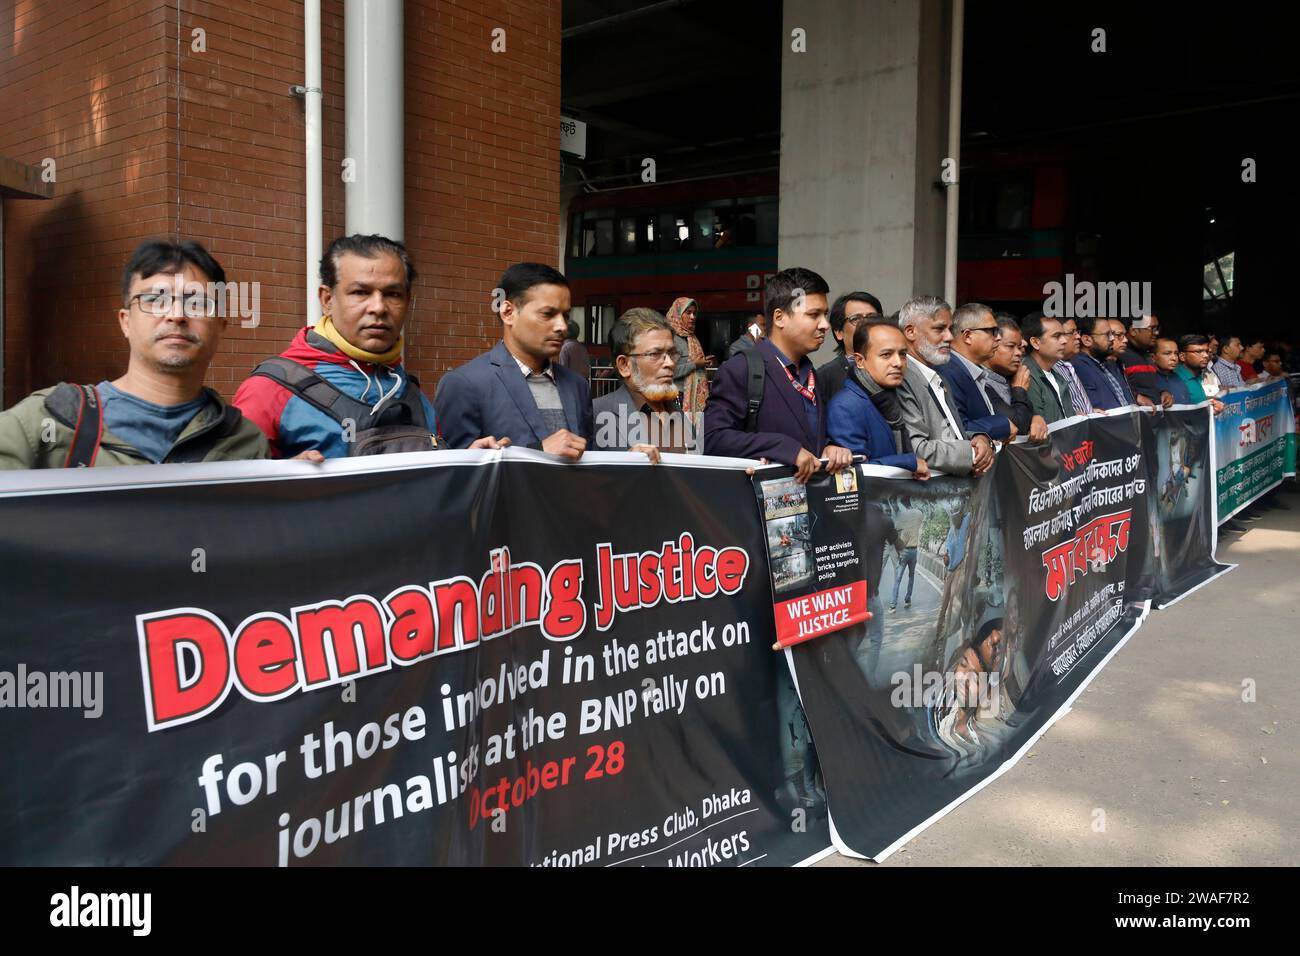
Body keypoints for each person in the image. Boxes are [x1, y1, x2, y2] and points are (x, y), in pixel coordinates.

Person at [0, 239, 273, 469]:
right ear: (125, 321)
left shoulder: (245, 443)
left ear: (220, 326)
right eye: (155, 300)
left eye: (197, 303)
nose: (176, 315)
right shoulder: (43, 423)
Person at [235, 235, 501, 458]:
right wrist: (283, 480)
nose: (378, 307)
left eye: (392, 294)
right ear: (327, 299)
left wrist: (464, 461)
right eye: (360, 292)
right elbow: (236, 501)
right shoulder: (269, 390)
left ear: (408, 301)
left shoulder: (411, 393)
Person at [703, 267, 853, 482]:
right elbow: (713, 439)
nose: (825, 325)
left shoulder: (810, 374)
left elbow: (805, 431)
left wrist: (829, 447)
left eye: (825, 315)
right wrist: (786, 449)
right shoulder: (741, 369)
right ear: (780, 318)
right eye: (813, 315)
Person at [435, 262, 593, 458]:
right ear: (508, 313)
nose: (562, 326)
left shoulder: (577, 386)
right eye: (548, 314)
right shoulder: (464, 385)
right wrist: (539, 452)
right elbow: (454, 476)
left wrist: (627, 459)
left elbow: (589, 461)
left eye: (566, 315)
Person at [895, 296, 994, 476]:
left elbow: (949, 432)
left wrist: (977, 438)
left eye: (949, 329)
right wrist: (971, 453)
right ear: (910, 332)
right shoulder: (900, 378)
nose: (949, 337)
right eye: (939, 329)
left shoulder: (938, 374)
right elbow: (915, 448)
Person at [826, 319, 930, 476]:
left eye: (902, 354)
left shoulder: (901, 394)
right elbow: (854, 471)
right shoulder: (845, 406)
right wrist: (909, 463)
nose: (898, 363)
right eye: (886, 355)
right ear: (860, 360)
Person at [591, 308, 684, 458]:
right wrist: (627, 463)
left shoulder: (678, 414)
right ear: (624, 365)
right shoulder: (595, 414)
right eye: (655, 354)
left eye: (672, 353)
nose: (670, 363)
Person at [937, 302, 1017, 442]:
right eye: (992, 331)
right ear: (968, 336)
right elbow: (956, 429)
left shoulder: (973, 370)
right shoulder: (949, 372)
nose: (998, 337)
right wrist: (1001, 425)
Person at [983, 314, 1049, 440]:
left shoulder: (1013, 375)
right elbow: (1019, 428)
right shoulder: (981, 381)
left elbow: (1027, 414)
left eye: (1019, 347)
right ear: (992, 344)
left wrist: (1036, 417)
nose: (1018, 353)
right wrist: (1019, 390)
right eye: (1010, 346)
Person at [817, 291, 882, 402]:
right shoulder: (825, 376)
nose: (866, 324)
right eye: (856, 319)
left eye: (873, 317)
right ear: (839, 332)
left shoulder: (894, 366)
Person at [665, 297, 714, 417]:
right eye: (688, 313)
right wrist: (695, 364)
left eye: (694, 313)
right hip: (677, 399)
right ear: (678, 314)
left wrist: (704, 363)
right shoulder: (670, 339)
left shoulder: (691, 338)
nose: (693, 317)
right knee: (677, 434)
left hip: (693, 398)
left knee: (692, 434)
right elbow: (669, 372)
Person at [1021, 312, 1073, 424]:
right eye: (1057, 336)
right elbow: (1041, 428)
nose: (1065, 341)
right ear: (1035, 342)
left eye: (1064, 335)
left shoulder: (1057, 375)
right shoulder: (1026, 374)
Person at [1071, 317, 1131, 411]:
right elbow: (1099, 409)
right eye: (1107, 335)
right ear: (1087, 340)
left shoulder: (1109, 363)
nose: (1112, 339)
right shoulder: (1079, 367)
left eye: (1112, 334)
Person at [1119, 314, 1167, 406]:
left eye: (1157, 329)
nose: (1156, 333)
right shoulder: (1120, 356)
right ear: (1133, 330)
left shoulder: (1148, 356)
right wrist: (1136, 396)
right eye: (1151, 328)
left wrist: (1163, 392)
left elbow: (1151, 386)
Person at [1051, 315, 1093, 416]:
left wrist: (1091, 412)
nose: (1078, 336)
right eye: (1072, 333)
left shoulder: (1068, 364)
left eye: (1077, 332)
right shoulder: (1052, 368)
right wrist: (1073, 415)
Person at [1175, 334, 1224, 413]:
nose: (1206, 355)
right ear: (1182, 356)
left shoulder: (1198, 376)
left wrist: (1210, 406)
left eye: (1206, 351)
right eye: (1198, 351)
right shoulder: (1177, 379)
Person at [891, 497, 923, 611]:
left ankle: (893, 605)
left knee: (898, 578)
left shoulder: (903, 517)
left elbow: (895, 529)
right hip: (914, 551)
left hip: (904, 551)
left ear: (903, 505)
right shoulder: (919, 513)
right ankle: (908, 599)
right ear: (911, 502)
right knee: (911, 575)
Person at [1153, 337, 1193, 404]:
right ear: (1153, 357)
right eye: (1167, 353)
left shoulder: (1178, 378)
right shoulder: (1149, 379)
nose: (1174, 358)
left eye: (1176, 353)